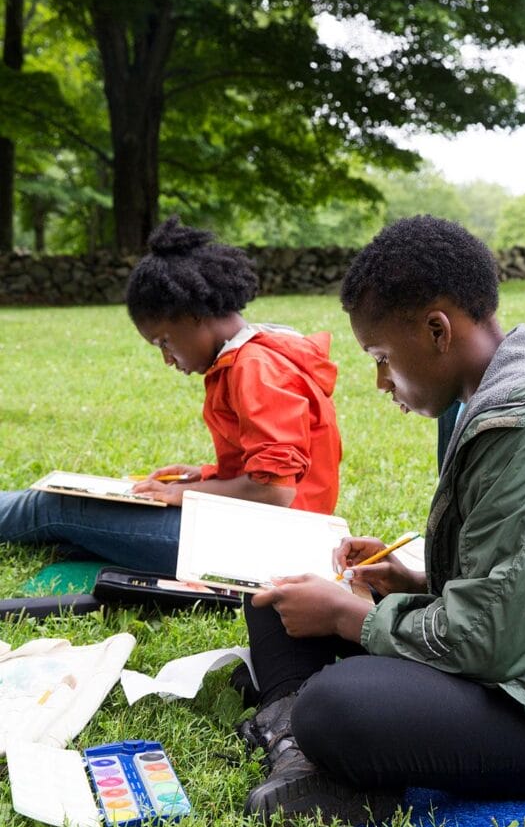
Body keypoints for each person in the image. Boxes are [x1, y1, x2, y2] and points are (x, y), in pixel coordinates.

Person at [236, 214, 525, 825]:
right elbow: (520, 583)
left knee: (337, 705)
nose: (380, 380)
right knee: (274, 600)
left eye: (383, 356)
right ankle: (300, 758)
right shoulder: (483, 398)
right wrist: (409, 584)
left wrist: (353, 618)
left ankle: (306, 740)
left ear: (438, 330)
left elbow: (495, 641)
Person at [0, 217, 342, 574]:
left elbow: (276, 492)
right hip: (266, 533)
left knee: (56, 507)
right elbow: (276, 471)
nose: (167, 359)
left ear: (194, 313)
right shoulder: (260, 354)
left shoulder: (255, 366)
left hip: (267, 547)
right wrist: (204, 476)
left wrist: (187, 496)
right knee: (75, 515)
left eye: (164, 342)